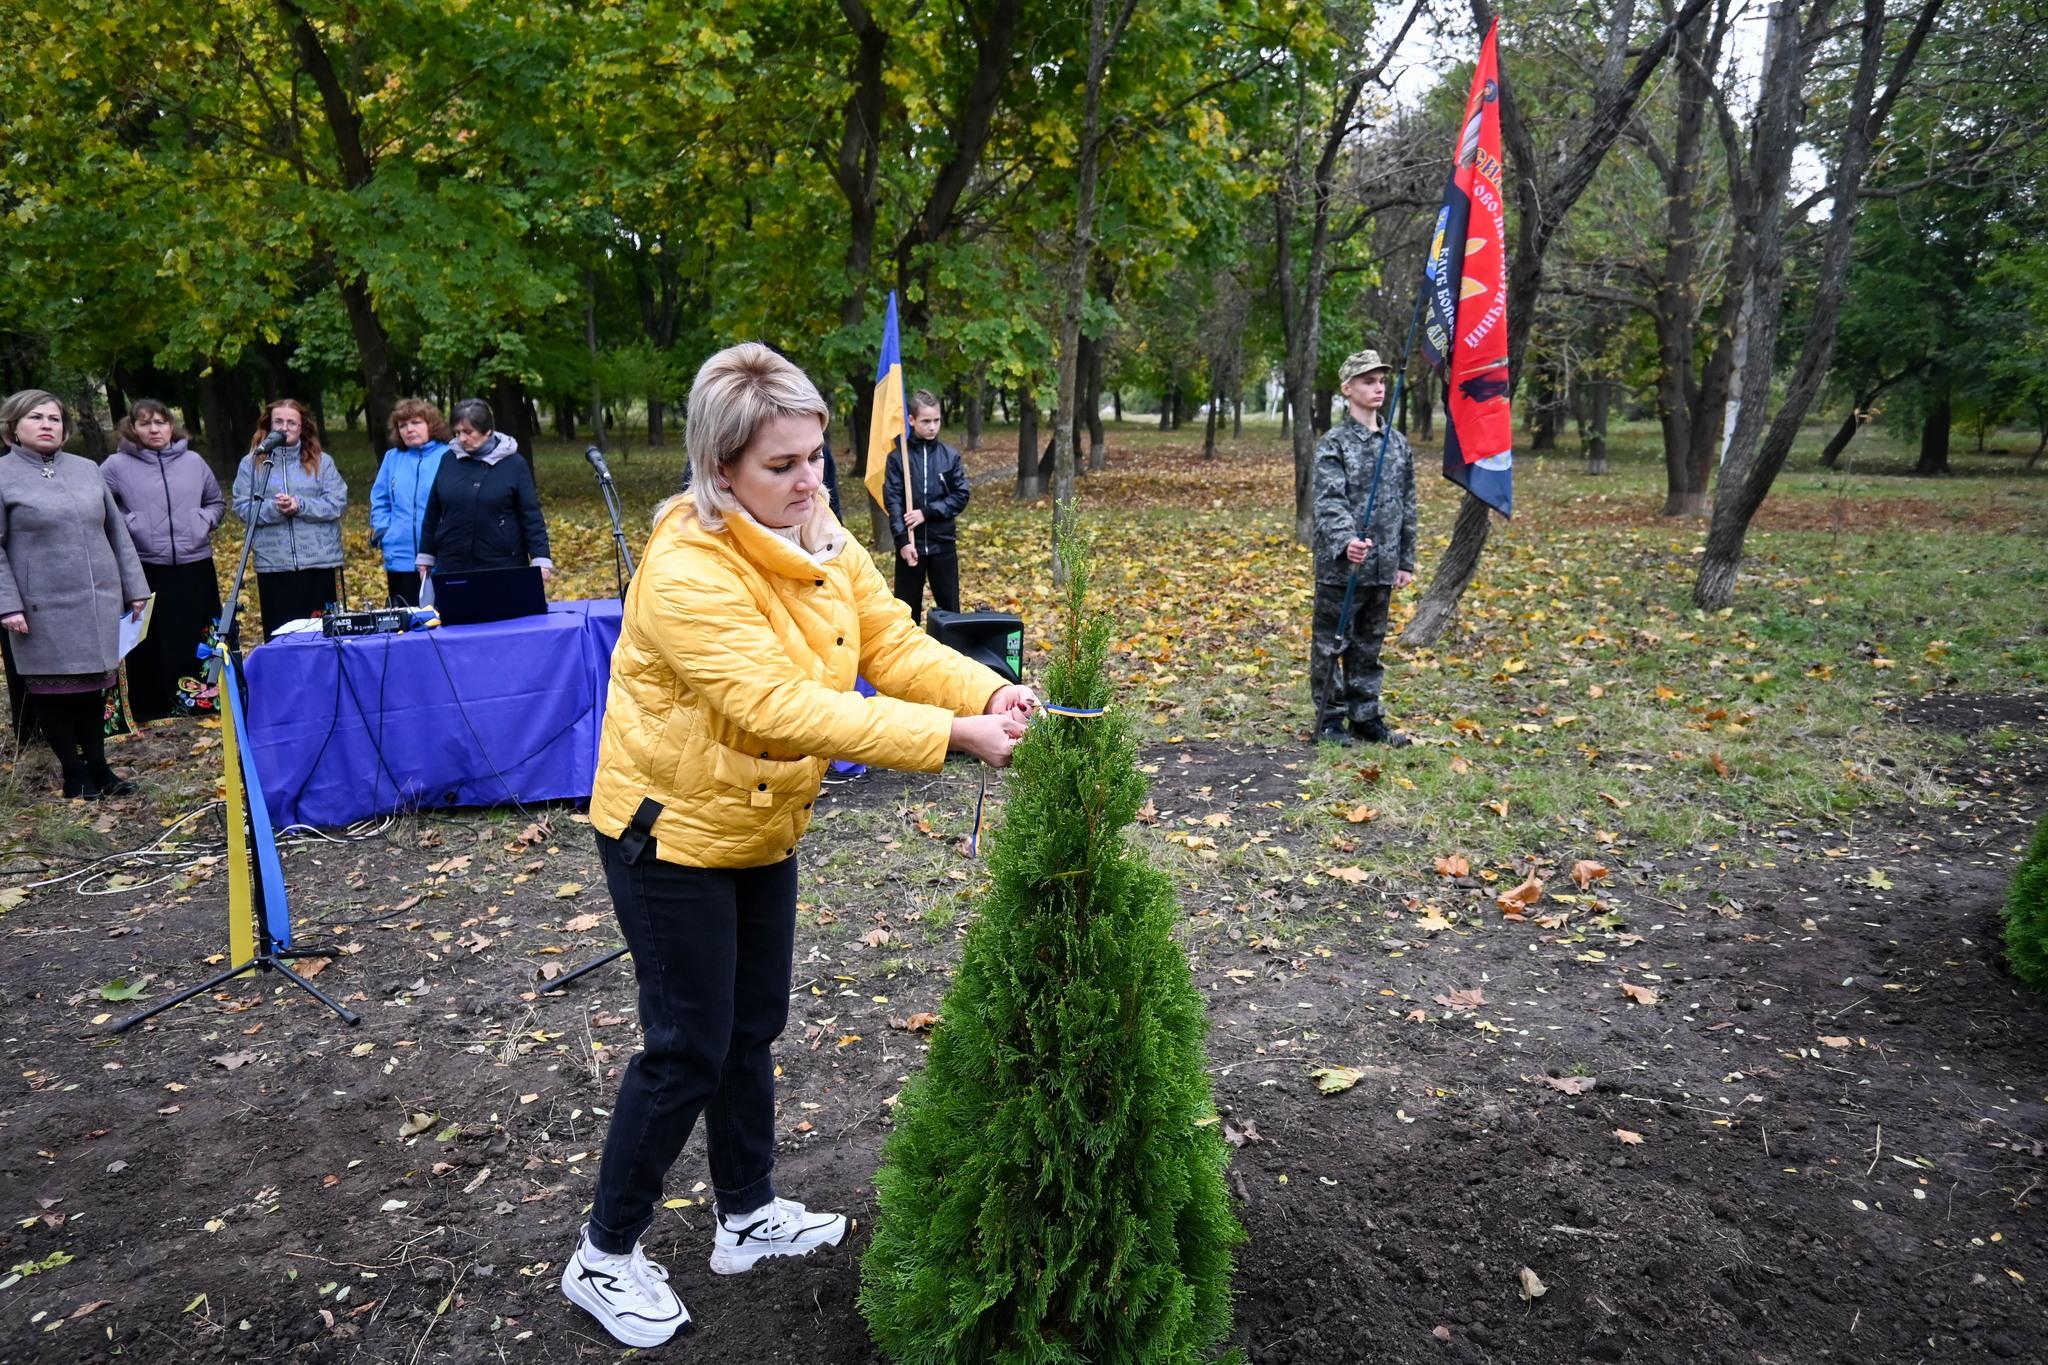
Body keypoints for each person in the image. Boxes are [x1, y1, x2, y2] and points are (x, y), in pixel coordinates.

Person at [560, 343, 1035, 1350]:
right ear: (718, 467)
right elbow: (775, 707)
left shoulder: (818, 534)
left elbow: (890, 642)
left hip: (758, 824)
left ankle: (745, 1216)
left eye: (814, 455)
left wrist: (981, 688)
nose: (810, 480)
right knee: (685, 1047)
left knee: (749, 1028)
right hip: (670, 836)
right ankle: (604, 1256)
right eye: (781, 465)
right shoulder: (686, 566)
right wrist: (949, 738)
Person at [0, 390, 152, 796]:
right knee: (54, 692)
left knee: (92, 688)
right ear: (12, 427)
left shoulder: (87, 469)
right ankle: (73, 773)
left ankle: (100, 769)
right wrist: (7, 604)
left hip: (96, 601)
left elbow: (116, 533)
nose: (47, 424)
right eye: (36, 417)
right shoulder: (2, 476)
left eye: (54, 418)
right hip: (39, 607)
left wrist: (135, 588)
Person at [1310, 348, 1417, 747]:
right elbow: (1328, 500)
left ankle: (1365, 716)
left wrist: (1405, 559)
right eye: (1368, 381)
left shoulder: (1398, 443)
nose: (1378, 388)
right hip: (1343, 566)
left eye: (1381, 381)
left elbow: (1408, 504)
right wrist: (1345, 541)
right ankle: (1330, 719)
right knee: (1330, 643)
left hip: (1383, 564)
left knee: (1369, 645)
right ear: (1348, 388)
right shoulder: (1334, 443)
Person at [102, 400, 226, 721]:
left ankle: (200, 699)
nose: (154, 429)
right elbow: (100, 505)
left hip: (194, 562)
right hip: (146, 565)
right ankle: (153, 704)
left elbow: (215, 501)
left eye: (161, 422)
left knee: (195, 631)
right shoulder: (116, 465)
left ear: (172, 426)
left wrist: (203, 521)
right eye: (145, 424)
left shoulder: (194, 461)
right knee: (152, 636)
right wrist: (130, 523)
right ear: (132, 428)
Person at [231, 400, 348, 640]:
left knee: (323, 638)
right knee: (282, 639)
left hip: (318, 564)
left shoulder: (321, 461)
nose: (285, 427)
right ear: (269, 424)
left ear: (302, 426)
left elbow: (336, 503)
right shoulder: (252, 463)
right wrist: (275, 509)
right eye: (279, 421)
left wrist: (300, 505)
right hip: (275, 565)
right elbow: (243, 507)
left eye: (291, 422)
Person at [415, 398, 552, 586]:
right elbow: (433, 511)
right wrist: (426, 556)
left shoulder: (514, 464)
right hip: (453, 562)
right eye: (457, 432)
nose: (461, 438)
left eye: (468, 432)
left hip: (502, 563)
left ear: (487, 430)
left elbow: (531, 515)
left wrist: (540, 559)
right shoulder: (448, 459)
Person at [882, 388, 970, 623]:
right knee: (906, 615)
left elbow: (961, 495)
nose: (932, 427)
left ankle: (951, 656)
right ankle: (908, 659)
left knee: (950, 611)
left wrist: (926, 513)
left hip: (943, 545)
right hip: (912, 547)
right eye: (926, 421)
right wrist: (902, 541)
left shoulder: (949, 457)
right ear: (911, 420)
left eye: (936, 420)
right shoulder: (898, 458)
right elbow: (893, 500)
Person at [368, 398, 452, 606]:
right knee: (406, 625)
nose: (409, 429)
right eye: (403, 425)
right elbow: (380, 499)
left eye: (416, 423)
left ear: (431, 424)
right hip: (400, 557)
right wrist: (384, 531)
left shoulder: (449, 455)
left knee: (445, 624)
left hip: (441, 558)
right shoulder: (392, 458)